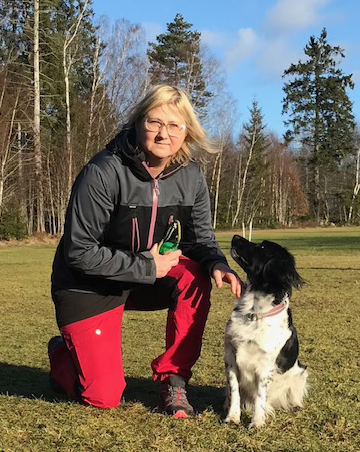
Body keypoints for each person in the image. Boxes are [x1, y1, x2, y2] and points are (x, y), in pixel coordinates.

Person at [48, 84, 241, 418]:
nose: (164, 134)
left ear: (187, 132)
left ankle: (174, 381)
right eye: (155, 122)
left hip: (149, 277)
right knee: (103, 396)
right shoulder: (102, 172)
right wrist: (145, 267)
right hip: (89, 285)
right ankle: (62, 355)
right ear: (138, 122)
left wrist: (217, 263)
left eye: (174, 126)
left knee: (195, 276)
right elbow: (78, 251)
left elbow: (200, 239)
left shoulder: (192, 175)